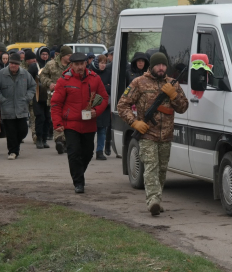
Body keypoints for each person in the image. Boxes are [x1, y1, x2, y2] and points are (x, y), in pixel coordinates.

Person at [117, 52, 189, 215]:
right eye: (158, 65)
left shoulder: (172, 84)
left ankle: (158, 197)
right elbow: (122, 105)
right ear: (152, 66)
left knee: (162, 169)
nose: (161, 68)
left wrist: (174, 95)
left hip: (166, 135)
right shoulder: (139, 82)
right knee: (151, 166)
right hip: (147, 133)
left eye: (164, 65)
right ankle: (153, 200)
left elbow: (183, 107)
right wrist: (134, 122)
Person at [51, 52, 109, 193]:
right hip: (71, 124)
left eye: (81, 64)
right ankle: (78, 182)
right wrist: (57, 123)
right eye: (76, 65)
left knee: (88, 153)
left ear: (86, 64)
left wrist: (96, 110)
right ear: (71, 65)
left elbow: (104, 98)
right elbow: (56, 103)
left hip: (89, 123)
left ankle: (79, 172)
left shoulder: (95, 79)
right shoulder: (64, 80)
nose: (79, 67)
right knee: (74, 152)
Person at [0, 52, 36, 160]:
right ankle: (12, 151)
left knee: (23, 130)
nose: (13, 65)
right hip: (7, 109)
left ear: (19, 64)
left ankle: (15, 146)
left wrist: (27, 98)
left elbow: (32, 87)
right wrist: (2, 100)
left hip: (21, 107)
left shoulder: (25, 74)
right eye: (11, 63)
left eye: (15, 64)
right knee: (11, 131)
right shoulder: (1, 74)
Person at [39, 45, 72, 154]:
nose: (70, 57)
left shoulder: (72, 65)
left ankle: (66, 141)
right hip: (55, 97)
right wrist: (49, 84)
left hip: (70, 98)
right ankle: (59, 140)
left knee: (67, 119)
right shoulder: (51, 64)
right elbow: (42, 76)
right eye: (68, 55)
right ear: (62, 55)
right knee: (56, 118)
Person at [90, 53, 112, 160]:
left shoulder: (108, 73)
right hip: (91, 105)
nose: (103, 65)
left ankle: (100, 151)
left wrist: (104, 88)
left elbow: (111, 88)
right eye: (101, 63)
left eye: (105, 63)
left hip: (104, 106)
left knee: (102, 130)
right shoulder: (91, 73)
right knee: (90, 129)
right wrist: (104, 86)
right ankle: (88, 150)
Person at [23, 50, 38, 143]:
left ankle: (34, 134)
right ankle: (20, 135)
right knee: (22, 118)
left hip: (32, 96)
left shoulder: (36, 67)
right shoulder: (21, 68)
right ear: (27, 60)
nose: (34, 60)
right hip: (22, 97)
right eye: (32, 59)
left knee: (33, 116)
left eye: (34, 58)